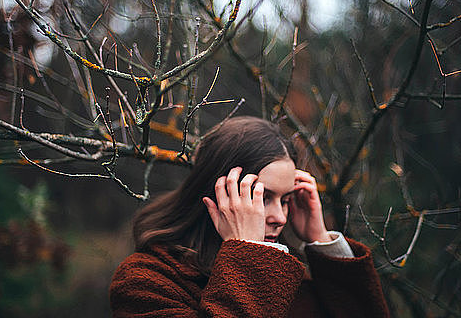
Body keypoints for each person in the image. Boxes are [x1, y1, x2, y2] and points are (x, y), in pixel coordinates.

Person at [110, 116, 389, 317]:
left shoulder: (290, 276)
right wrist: (247, 256)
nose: (279, 217)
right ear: (217, 194)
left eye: (287, 200)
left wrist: (320, 239)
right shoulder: (145, 281)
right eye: (262, 197)